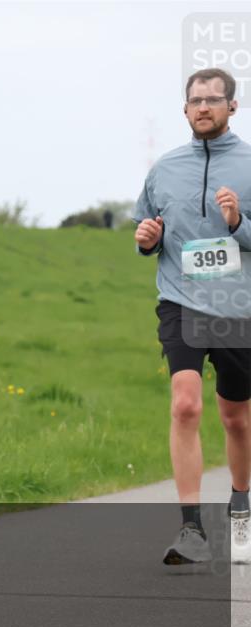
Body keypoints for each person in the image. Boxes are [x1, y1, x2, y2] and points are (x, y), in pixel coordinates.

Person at [134, 68, 251, 564]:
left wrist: (238, 222)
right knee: (185, 404)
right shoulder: (164, 168)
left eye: (214, 99)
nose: (203, 107)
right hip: (180, 299)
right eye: (195, 100)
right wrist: (146, 240)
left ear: (232, 107)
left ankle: (241, 511)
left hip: (237, 306)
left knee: (236, 417)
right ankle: (191, 531)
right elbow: (147, 227)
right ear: (185, 110)